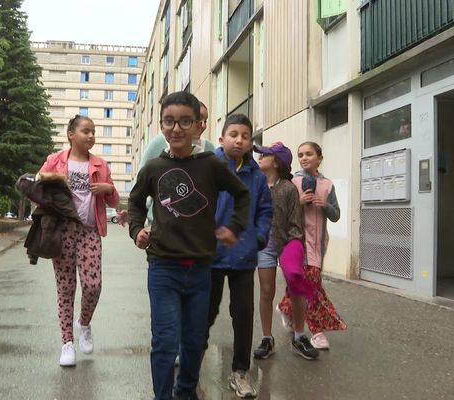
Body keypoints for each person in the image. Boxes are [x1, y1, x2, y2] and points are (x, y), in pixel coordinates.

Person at [128, 91, 250, 400]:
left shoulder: (211, 165)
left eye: (185, 121)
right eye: (170, 121)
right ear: (162, 125)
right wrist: (137, 230)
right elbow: (135, 202)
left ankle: (185, 392)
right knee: (165, 341)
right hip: (162, 268)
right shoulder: (154, 167)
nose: (177, 128)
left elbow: (242, 194)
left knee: (195, 341)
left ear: (198, 125)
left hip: (200, 270)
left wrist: (234, 226)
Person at [39, 114, 119, 367]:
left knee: (93, 285)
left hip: (89, 231)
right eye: (86, 131)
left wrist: (109, 190)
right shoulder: (55, 161)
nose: (91, 136)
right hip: (61, 231)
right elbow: (37, 189)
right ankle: (67, 344)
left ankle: (83, 323)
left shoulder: (100, 165)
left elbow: (114, 202)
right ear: (71, 134)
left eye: (93, 131)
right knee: (65, 289)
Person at [205, 114, 272, 398]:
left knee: (243, 316)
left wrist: (257, 238)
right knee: (204, 314)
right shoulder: (208, 168)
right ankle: (190, 364)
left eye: (245, 136)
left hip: (244, 257)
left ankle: (240, 372)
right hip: (210, 256)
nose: (240, 140)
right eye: (234, 134)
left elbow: (265, 212)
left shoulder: (256, 175)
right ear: (221, 139)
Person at [252, 142, 320, 361]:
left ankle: (299, 336)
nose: (260, 157)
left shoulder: (289, 188)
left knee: (296, 287)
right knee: (266, 290)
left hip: (288, 244)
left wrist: (294, 246)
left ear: (276, 162)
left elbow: (295, 222)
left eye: (265, 155)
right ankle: (267, 338)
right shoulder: (256, 185)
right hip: (265, 247)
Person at [277, 142, 347, 350]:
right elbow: (280, 213)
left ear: (320, 157)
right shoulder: (291, 182)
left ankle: (286, 307)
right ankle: (317, 332)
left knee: (302, 284)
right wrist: (298, 202)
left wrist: (324, 205)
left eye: (309, 154)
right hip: (295, 243)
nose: (304, 158)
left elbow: (336, 215)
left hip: (318, 245)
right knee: (311, 287)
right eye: (301, 155)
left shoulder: (327, 185)